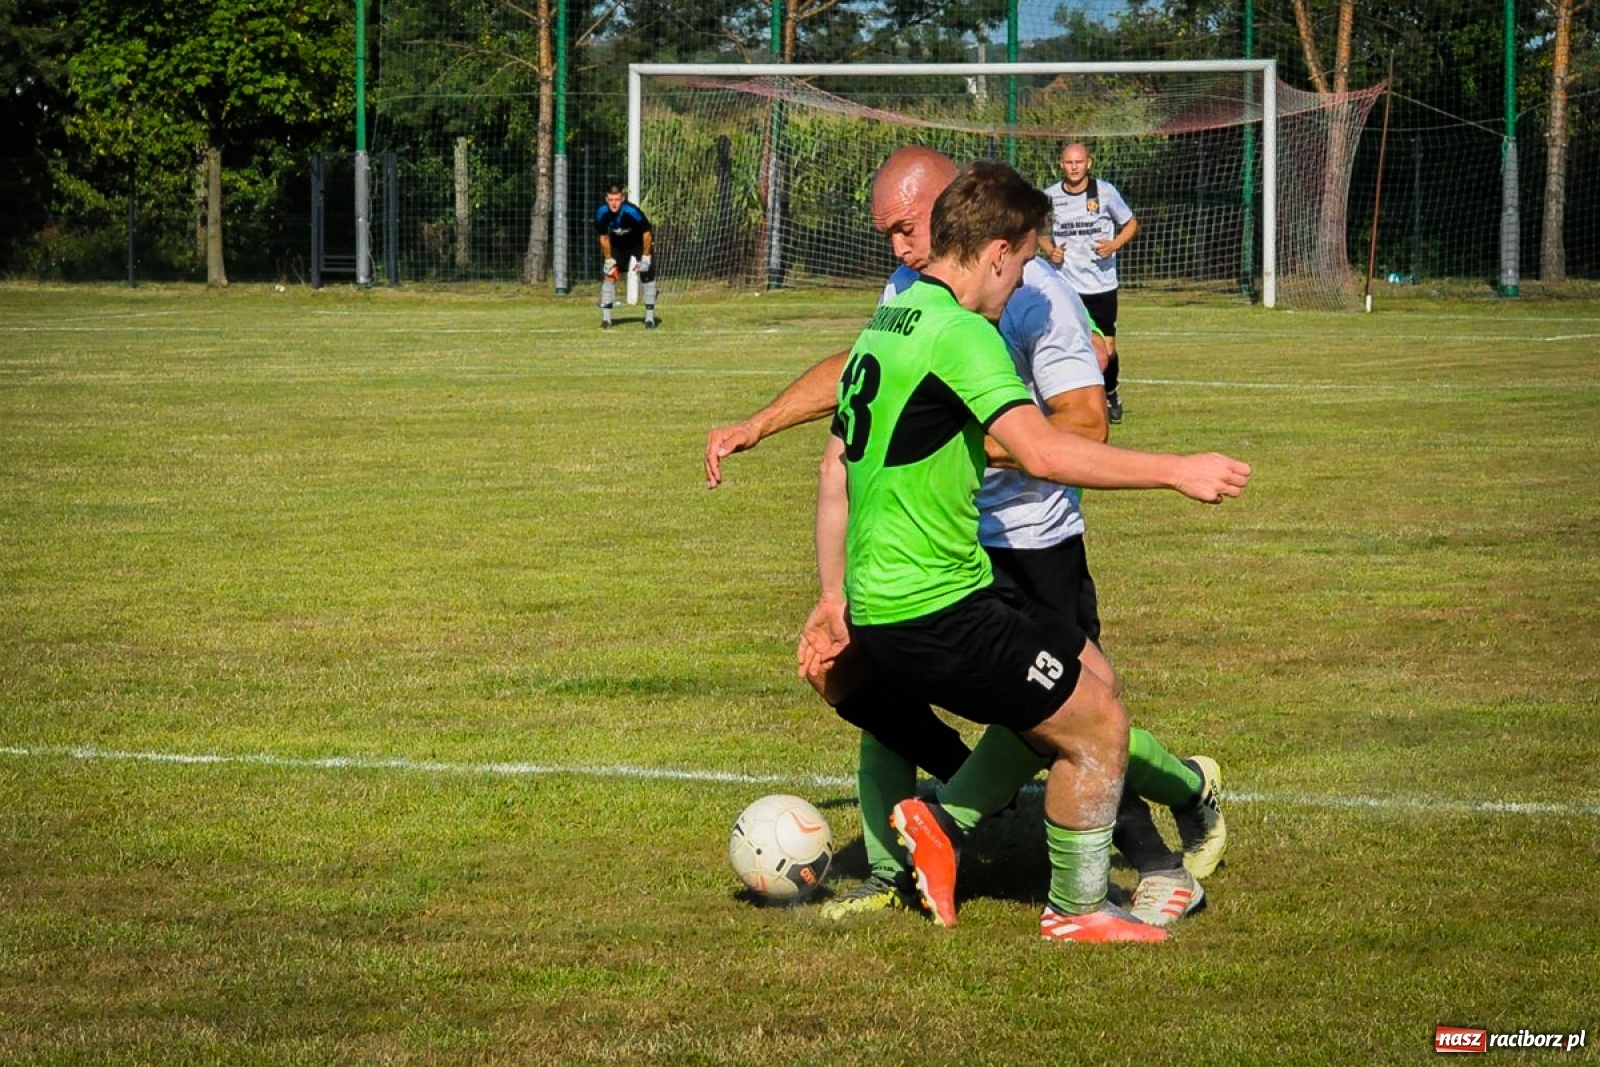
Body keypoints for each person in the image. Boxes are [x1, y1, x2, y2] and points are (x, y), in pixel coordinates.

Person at [706, 147, 1225, 929]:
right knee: (1085, 722)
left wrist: (845, 570)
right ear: (995, 251)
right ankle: (1043, 880)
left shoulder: (966, 307)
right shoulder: (947, 320)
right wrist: (1178, 468)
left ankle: (1164, 800)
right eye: (1015, 266)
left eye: (905, 228)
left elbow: (1064, 422)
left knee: (1087, 687)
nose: (898, 248)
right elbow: (1043, 448)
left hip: (1007, 549)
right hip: (943, 583)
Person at [1038, 143, 1139, 424]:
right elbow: (1038, 231)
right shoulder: (1051, 197)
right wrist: (1049, 249)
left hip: (1102, 284)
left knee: (1106, 349)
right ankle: (1071, 401)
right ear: (1061, 164)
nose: (1074, 167)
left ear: (1088, 163)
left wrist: (1114, 244)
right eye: (1069, 162)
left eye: (1079, 162)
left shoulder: (1104, 193)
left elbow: (1131, 223)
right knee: (1069, 343)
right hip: (1067, 285)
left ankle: (1111, 392)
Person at [594, 183, 658, 329]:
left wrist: (646, 257)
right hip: (617, 246)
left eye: (617, 199)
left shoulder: (632, 211)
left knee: (647, 276)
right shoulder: (601, 213)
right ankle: (606, 320)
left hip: (638, 245)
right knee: (609, 276)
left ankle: (649, 319)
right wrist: (609, 259)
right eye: (610, 200)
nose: (613, 203)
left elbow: (647, 233)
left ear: (622, 198)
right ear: (606, 199)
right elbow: (603, 238)